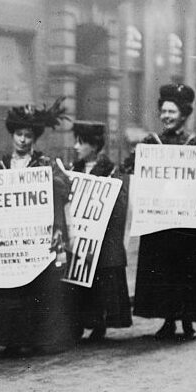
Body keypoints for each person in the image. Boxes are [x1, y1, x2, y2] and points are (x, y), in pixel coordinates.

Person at [121, 83, 196, 341]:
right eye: (164, 111)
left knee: (187, 269)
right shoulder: (150, 143)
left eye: (172, 111)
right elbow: (129, 167)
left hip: (186, 221)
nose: (166, 116)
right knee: (163, 269)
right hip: (158, 219)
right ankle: (168, 320)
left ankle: (188, 320)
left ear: (183, 114)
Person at [0, 98, 79, 355]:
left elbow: (66, 189)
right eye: (19, 134)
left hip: (35, 239)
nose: (22, 140)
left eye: (28, 135)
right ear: (12, 135)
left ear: (35, 138)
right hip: (8, 239)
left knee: (34, 287)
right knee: (8, 289)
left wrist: (53, 180)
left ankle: (33, 337)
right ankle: (8, 338)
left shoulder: (44, 165)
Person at [70, 120, 132, 341]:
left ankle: (99, 323)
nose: (76, 147)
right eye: (76, 141)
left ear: (94, 146)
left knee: (99, 281)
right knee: (76, 279)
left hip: (101, 237)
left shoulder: (111, 170)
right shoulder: (73, 169)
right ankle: (77, 323)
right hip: (79, 235)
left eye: (81, 143)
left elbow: (118, 204)